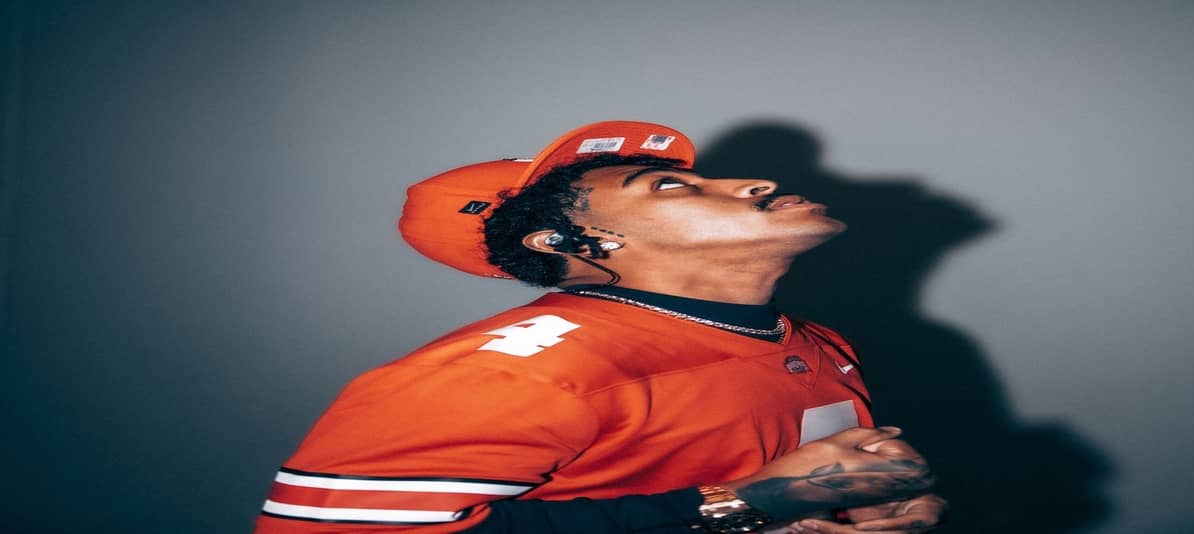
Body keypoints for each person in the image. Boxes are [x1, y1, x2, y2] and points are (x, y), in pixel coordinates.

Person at [255, 121, 947, 533]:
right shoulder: (504, 373)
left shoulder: (814, 342)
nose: (752, 182)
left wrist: (881, 500)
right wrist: (741, 504)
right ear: (565, 242)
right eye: (669, 186)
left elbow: (811, 477)